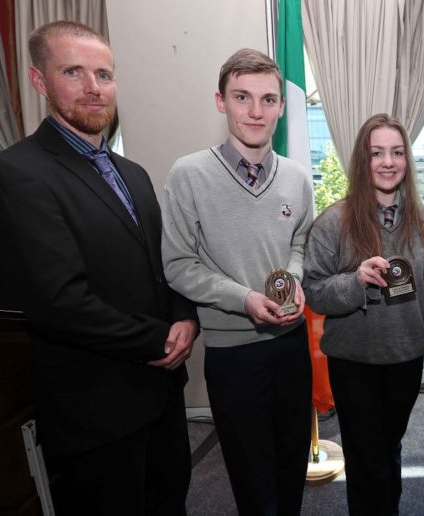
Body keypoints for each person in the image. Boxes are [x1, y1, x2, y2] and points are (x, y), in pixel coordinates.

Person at [0, 21, 198, 515]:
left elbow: (165, 264)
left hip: (161, 396)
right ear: (39, 80)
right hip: (96, 411)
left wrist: (186, 317)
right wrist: (157, 341)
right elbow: (56, 301)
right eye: (73, 72)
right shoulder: (14, 174)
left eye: (104, 74)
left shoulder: (132, 173)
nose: (93, 87)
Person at [161, 48, 314, 515]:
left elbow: (300, 244)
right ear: (220, 101)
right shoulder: (188, 174)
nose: (255, 111)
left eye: (268, 99)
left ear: (281, 107)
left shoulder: (296, 177)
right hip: (233, 353)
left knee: (292, 467)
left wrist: (294, 277)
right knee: (252, 477)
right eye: (242, 97)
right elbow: (178, 264)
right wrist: (244, 298)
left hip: (291, 344)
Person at [303, 113, 424, 515]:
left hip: (405, 359)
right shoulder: (333, 221)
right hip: (354, 362)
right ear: (363, 160)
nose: (388, 162)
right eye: (377, 153)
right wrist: (356, 281)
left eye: (397, 152)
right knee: (368, 461)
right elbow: (314, 292)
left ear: (407, 160)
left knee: (389, 449)